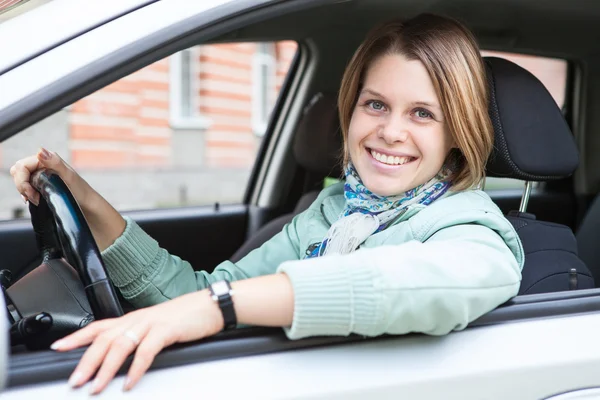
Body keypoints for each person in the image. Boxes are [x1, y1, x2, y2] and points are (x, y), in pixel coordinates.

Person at [10, 13, 523, 394]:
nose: (390, 131)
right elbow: (197, 293)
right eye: (376, 104)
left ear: (458, 132)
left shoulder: (475, 231)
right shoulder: (333, 212)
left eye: (422, 114)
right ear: (351, 108)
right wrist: (84, 196)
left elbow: (402, 284)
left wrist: (221, 309)